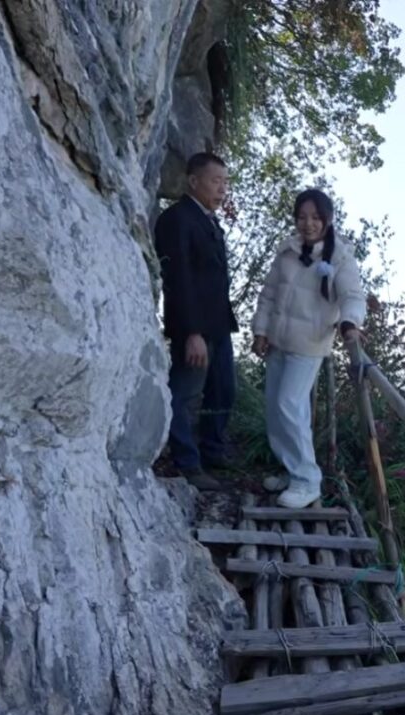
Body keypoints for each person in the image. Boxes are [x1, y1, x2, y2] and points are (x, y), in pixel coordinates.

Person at [250, 189, 366, 508]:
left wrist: (350, 322)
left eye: (315, 217)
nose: (308, 224)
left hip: (309, 345)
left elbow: (353, 297)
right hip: (278, 342)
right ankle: (291, 470)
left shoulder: (340, 257)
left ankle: (307, 481)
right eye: (302, 217)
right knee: (275, 409)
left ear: (328, 220)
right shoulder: (287, 252)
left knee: (289, 404)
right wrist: (261, 330)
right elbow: (268, 295)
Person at [155, 152, 238, 491]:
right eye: (215, 181)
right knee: (185, 392)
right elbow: (179, 279)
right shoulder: (177, 219)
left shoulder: (208, 221)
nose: (222, 189)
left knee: (223, 390)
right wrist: (191, 332)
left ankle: (212, 451)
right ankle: (186, 462)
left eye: (225, 182)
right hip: (195, 327)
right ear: (193, 181)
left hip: (219, 325)